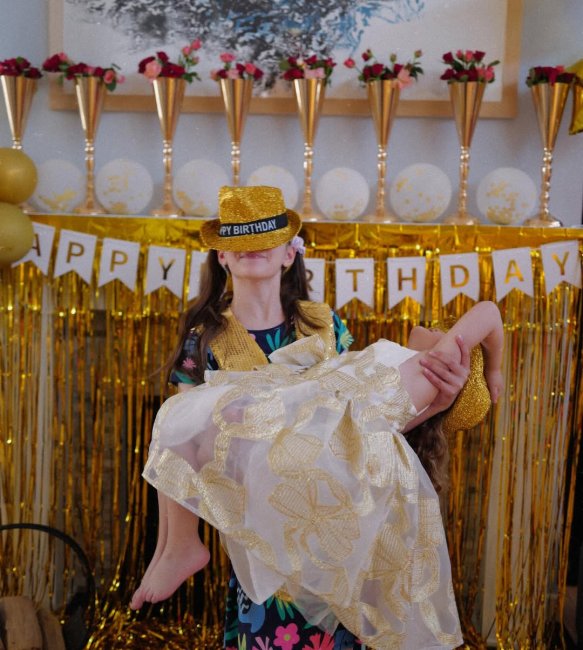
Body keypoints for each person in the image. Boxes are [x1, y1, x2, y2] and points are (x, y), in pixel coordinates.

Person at [130, 185, 478, 649]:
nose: (251, 245)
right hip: (264, 514)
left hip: (331, 507)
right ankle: (177, 548)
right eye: (238, 239)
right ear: (222, 257)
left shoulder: (323, 325)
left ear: (290, 254)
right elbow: (183, 446)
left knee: (334, 625)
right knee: (177, 417)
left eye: (265, 237)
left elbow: (363, 418)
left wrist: (437, 402)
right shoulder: (206, 338)